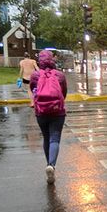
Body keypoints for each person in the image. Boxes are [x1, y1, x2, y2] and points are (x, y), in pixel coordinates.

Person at [30, 50, 67, 184]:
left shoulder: (35, 75)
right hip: (57, 112)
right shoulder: (60, 75)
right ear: (52, 60)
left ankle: (48, 164)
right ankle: (52, 164)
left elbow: (33, 90)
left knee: (46, 137)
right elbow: (63, 93)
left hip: (41, 112)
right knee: (55, 138)